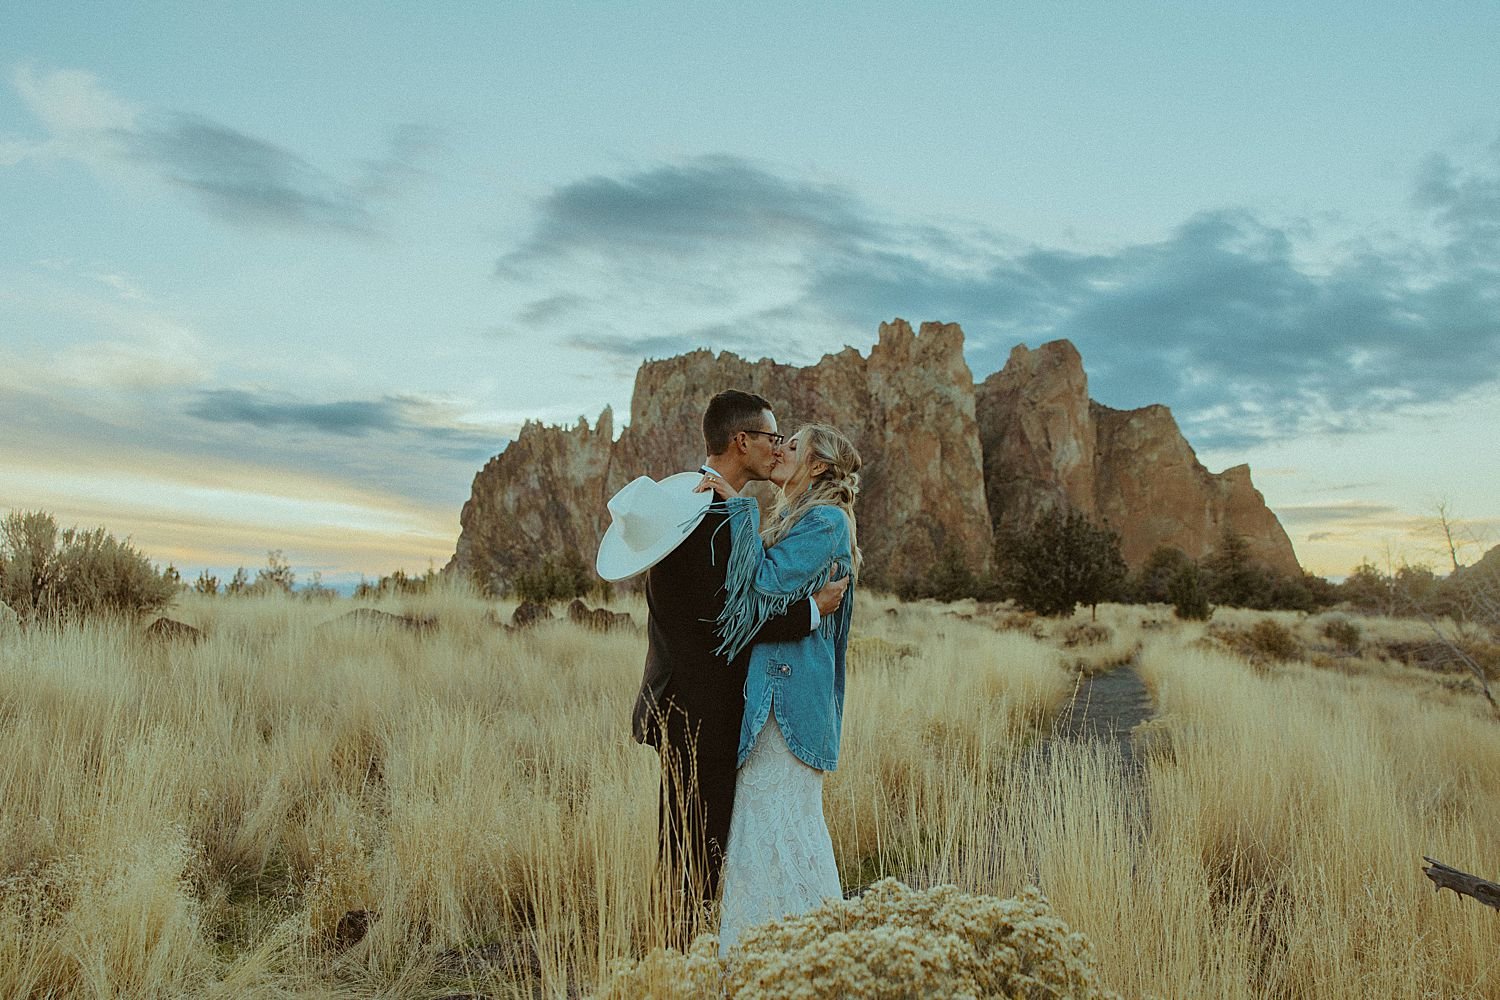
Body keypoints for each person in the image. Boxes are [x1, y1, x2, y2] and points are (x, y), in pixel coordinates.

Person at [595, 390, 848, 943]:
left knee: (688, 838)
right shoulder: (707, 516)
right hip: (699, 709)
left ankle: (687, 944)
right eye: (771, 437)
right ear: (743, 441)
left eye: (787, 442)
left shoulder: (696, 504)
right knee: (697, 843)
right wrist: (809, 610)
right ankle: (686, 951)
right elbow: (728, 619)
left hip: (681, 702)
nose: (777, 448)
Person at [695, 423, 862, 953]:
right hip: (769, 703)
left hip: (790, 706)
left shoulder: (828, 521)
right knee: (764, 831)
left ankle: (810, 958)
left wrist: (737, 508)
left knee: (786, 830)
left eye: (794, 444)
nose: (781, 449)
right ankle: (771, 961)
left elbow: (765, 582)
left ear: (817, 466)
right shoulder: (796, 518)